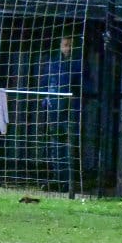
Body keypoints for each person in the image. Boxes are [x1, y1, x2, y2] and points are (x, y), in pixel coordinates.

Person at [40, 36, 81, 190]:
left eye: (70, 45)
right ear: (60, 45)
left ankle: (68, 182)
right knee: (55, 145)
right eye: (65, 45)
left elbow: (83, 83)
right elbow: (44, 84)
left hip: (71, 110)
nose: (68, 48)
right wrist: (46, 100)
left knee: (70, 144)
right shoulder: (53, 64)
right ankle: (57, 178)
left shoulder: (78, 63)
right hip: (54, 109)